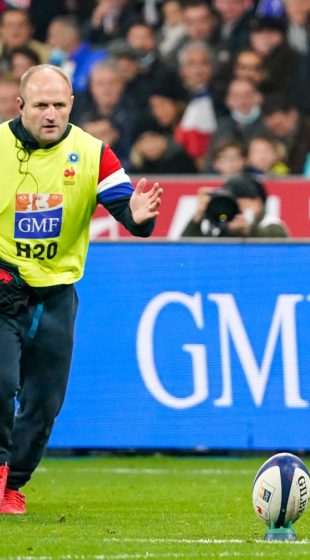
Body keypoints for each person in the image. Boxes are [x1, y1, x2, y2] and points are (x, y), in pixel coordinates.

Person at [0, 65, 163, 514]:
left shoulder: (93, 154)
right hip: (2, 289)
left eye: (59, 104)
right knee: (1, 382)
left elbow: (124, 207)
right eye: (40, 105)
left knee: (45, 402)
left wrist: (138, 215)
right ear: (20, 107)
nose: (51, 114)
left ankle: (13, 484)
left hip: (56, 296)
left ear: (71, 104)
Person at [180, 173, 289, 238]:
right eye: (233, 203)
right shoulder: (219, 226)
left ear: (258, 202)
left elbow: (277, 242)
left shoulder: (271, 223)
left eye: (242, 204)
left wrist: (248, 230)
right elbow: (186, 251)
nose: (237, 209)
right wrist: (198, 216)